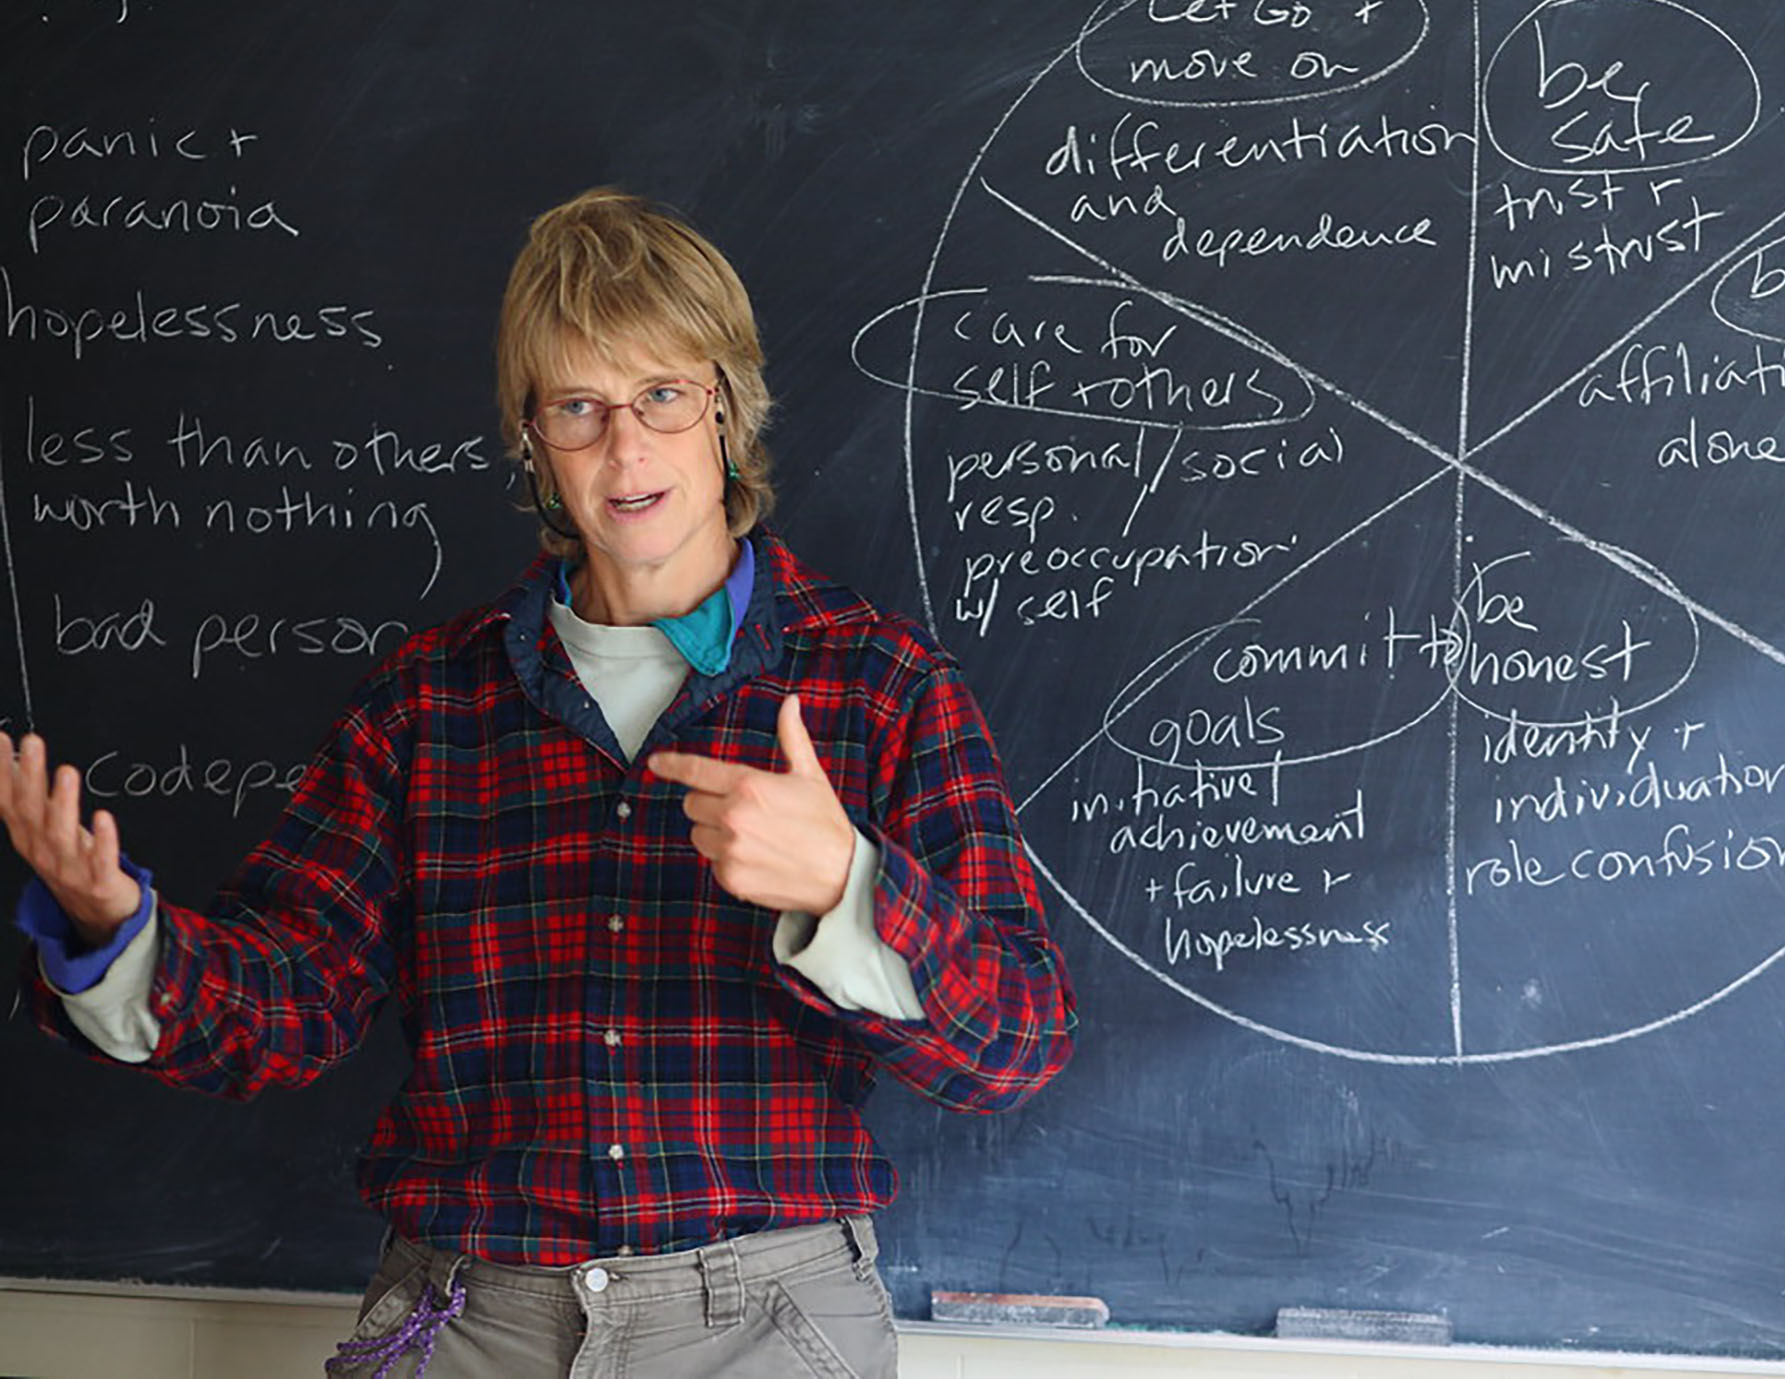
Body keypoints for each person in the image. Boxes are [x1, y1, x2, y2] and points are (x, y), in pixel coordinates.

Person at [3, 187, 1078, 1377]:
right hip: (470, 1315)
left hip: (766, 1323)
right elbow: (292, 1009)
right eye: (579, 408)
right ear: (532, 439)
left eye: (661, 395)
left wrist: (848, 886)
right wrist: (116, 934)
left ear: (722, 406)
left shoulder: (882, 686)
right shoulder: (429, 703)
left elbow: (1016, 1047)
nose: (626, 450)